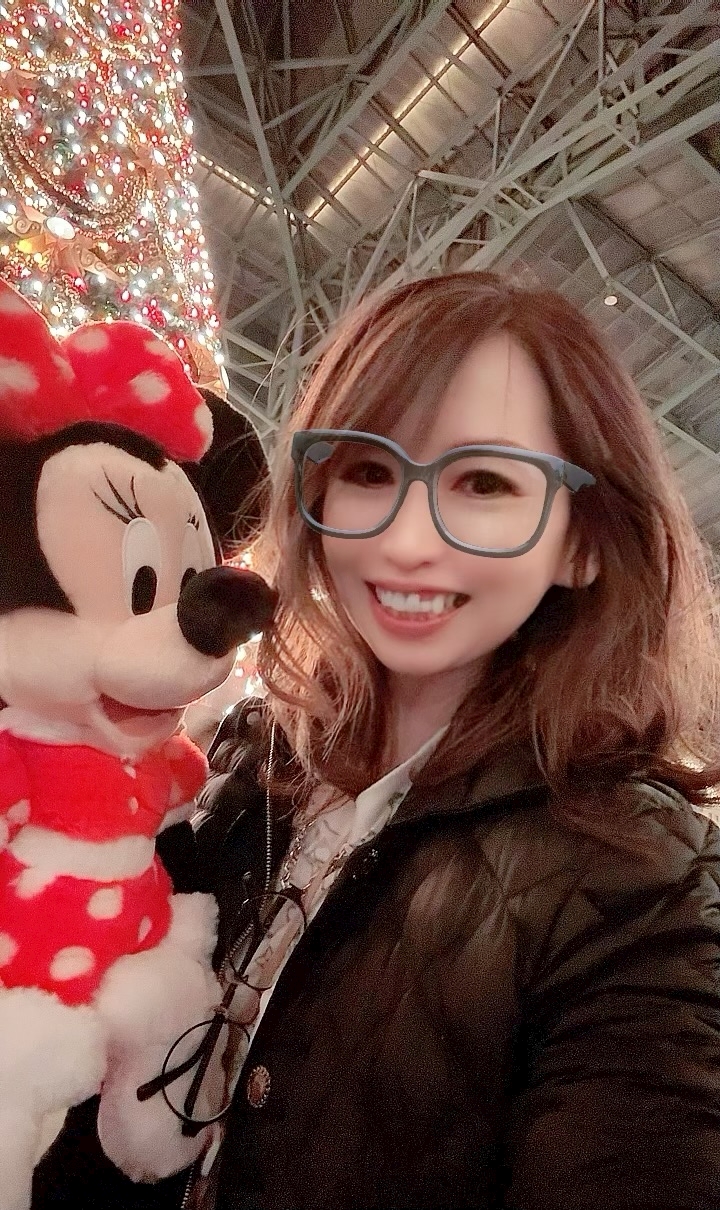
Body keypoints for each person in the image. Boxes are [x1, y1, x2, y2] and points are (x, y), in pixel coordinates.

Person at [35, 271, 720, 1209]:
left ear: (584, 541)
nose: (405, 541)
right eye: (366, 470)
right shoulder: (251, 760)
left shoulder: (639, 881)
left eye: (484, 483)